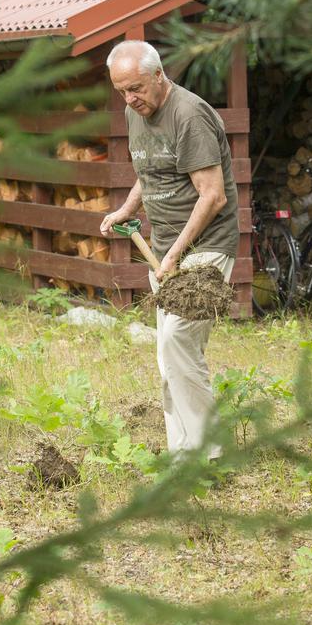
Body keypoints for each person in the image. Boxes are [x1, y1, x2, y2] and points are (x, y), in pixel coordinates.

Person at [100, 41, 239, 460]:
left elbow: (213, 196)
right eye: (121, 90)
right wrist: (127, 208)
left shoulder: (189, 114)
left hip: (205, 248)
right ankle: (183, 451)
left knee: (178, 340)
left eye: (137, 88)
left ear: (159, 75)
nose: (129, 99)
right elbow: (152, 167)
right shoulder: (135, 111)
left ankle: (205, 451)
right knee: (169, 355)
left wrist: (176, 254)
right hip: (162, 248)